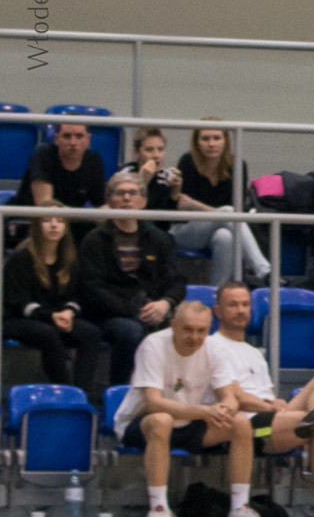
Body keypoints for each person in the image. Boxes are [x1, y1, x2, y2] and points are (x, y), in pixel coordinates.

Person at [206, 282, 314, 517]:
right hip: (249, 427)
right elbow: (233, 396)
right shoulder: (212, 346)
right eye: (233, 305)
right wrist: (270, 406)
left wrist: (275, 405)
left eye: (245, 304)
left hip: (273, 417)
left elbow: (264, 394)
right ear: (218, 311)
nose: (240, 310)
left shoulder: (254, 352)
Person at [112, 300, 271, 517]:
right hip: (142, 423)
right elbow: (153, 402)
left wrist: (225, 408)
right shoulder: (153, 344)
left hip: (189, 421)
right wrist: (204, 412)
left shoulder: (215, 349)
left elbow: (229, 396)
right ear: (173, 325)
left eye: (201, 331)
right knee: (162, 420)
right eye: (188, 329)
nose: (195, 337)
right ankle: (158, 511)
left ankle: (240, 510)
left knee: (241, 423)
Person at [78, 173, 185, 385]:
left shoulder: (159, 238)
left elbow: (176, 280)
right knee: (131, 331)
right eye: (120, 193)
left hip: (151, 308)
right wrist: (133, 311)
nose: (126, 198)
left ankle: (172, 391)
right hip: (108, 315)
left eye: (132, 193)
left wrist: (165, 303)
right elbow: (93, 288)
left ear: (143, 201)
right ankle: (120, 388)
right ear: (109, 201)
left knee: (187, 326)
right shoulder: (94, 240)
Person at [1, 202, 103, 393]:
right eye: (47, 220)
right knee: (47, 333)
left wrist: (69, 312)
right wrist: (51, 316)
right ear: (36, 225)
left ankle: (83, 393)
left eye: (60, 221)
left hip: (58, 317)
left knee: (91, 333)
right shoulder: (21, 258)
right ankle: (65, 392)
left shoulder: (70, 258)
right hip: (19, 319)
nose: (54, 225)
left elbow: (78, 294)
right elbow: (18, 302)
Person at [171, 123, 271, 286]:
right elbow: (181, 206)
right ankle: (264, 270)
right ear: (197, 142)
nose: (211, 144)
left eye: (216, 138)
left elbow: (238, 211)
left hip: (222, 228)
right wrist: (222, 213)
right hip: (186, 231)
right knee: (228, 212)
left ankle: (217, 293)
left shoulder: (237, 165)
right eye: (205, 139)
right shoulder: (188, 162)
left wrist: (198, 206)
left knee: (226, 236)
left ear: (225, 141)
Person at [15, 122, 106, 245]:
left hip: (72, 223)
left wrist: (93, 214)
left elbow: (103, 207)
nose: (73, 142)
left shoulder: (94, 160)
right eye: (67, 136)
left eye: (79, 136)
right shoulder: (43, 154)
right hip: (34, 222)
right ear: (56, 139)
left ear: (88, 139)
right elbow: (46, 207)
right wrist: (88, 215)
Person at [117, 126, 181, 222]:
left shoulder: (164, 178)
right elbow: (123, 212)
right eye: (149, 150)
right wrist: (142, 180)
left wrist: (174, 194)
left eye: (160, 149)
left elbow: (166, 224)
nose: (156, 155)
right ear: (137, 153)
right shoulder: (126, 173)